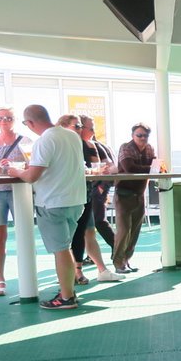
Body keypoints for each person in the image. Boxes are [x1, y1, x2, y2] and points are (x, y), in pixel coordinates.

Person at [0, 105, 86, 309]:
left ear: (29, 123)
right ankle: (67, 290)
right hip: (76, 200)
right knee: (65, 247)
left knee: (61, 250)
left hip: (53, 202)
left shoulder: (44, 140)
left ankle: (66, 298)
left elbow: (32, 176)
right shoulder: (72, 135)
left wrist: (14, 171)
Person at [59, 115, 121, 284]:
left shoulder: (91, 145)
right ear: (64, 126)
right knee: (72, 235)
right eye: (77, 126)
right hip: (68, 195)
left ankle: (100, 269)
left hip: (86, 193)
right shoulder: (60, 145)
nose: (81, 130)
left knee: (88, 231)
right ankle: (75, 272)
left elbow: (100, 167)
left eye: (81, 126)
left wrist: (100, 181)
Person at [0, 107, 32, 297]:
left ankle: (27, 278)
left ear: (15, 119)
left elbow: (33, 165)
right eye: (0, 118)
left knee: (25, 235)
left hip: (19, 192)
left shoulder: (25, 141)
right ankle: (0, 279)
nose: (4, 121)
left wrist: (12, 167)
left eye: (8, 118)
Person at [112, 122, 156, 274]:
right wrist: (150, 169)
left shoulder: (149, 149)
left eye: (145, 135)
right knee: (124, 230)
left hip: (139, 194)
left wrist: (152, 168)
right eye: (139, 135)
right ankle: (118, 262)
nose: (143, 138)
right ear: (132, 135)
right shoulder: (126, 147)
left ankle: (126, 260)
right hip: (124, 193)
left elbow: (156, 166)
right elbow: (129, 168)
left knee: (135, 230)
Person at [78, 114, 117, 251]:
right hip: (83, 190)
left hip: (96, 188)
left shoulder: (96, 146)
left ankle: (119, 251)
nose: (94, 132)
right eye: (91, 128)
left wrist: (99, 180)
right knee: (87, 227)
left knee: (98, 221)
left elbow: (111, 167)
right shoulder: (75, 146)